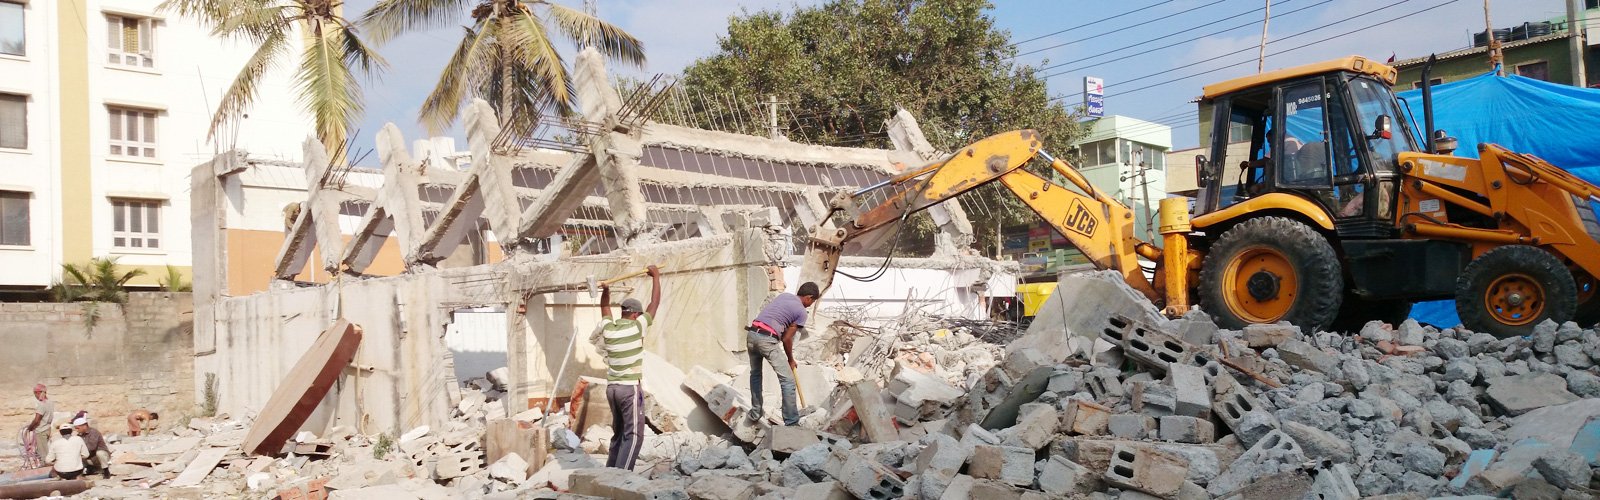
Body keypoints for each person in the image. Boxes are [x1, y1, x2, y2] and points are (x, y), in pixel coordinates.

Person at [592, 265, 661, 471]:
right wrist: (656, 276)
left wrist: (606, 290)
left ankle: (610, 472)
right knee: (634, 435)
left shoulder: (609, 328)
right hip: (628, 389)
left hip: (612, 388)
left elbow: (604, 309)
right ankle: (621, 476)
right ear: (635, 315)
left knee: (619, 432)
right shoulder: (637, 326)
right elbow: (655, 303)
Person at [746, 282, 820, 426]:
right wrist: (790, 359)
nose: (810, 305)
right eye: (812, 301)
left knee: (755, 374)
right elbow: (787, 338)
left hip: (752, 334)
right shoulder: (801, 312)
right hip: (766, 339)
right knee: (788, 380)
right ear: (809, 297)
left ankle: (755, 413)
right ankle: (791, 423)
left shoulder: (785, 296)